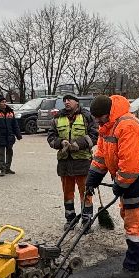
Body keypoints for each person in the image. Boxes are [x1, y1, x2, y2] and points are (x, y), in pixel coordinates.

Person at [85, 94, 139, 278]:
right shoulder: (106, 127)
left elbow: (131, 163)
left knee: (136, 225)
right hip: (132, 181)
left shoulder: (127, 126)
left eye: (100, 117)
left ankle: (132, 267)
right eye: (95, 118)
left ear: (108, 112)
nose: (97, 121)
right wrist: (93, 176)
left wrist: (120, 184)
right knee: (131, 217)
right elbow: (101, 154)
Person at [47, 94, 96, 224]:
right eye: (64, 100)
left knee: (85, 193)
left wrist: (79, 144)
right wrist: (61, 142)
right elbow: (51, 138)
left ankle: (87, 220)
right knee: (68, 194)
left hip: (82, 162)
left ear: (76, 102)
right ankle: (70, 219)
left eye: (69, 100)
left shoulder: (86, 116)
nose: (66, 102)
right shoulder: (57, 118)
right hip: (65, 162)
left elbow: (95, 135)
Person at [0, 94, 22, 176]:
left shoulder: (10, 112)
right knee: (1, 154)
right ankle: (2, 169)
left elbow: (15, 125)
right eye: (2, 102)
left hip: (9, 136)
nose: (4, 103)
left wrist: (18, 135)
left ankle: (7, 168)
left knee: (10, 153)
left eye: (5, 102)